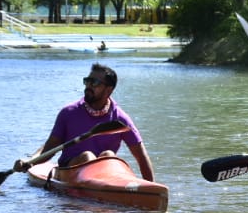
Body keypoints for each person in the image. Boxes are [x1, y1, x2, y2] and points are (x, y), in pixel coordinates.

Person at [14, 62, 155, 180]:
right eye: (87, 81)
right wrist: (30, 161)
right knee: (87, 156)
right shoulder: (68, 113)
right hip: (69, 171)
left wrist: (152, 190)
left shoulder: (120, 119)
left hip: (104, 175)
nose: (88, 86)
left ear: (108, 90)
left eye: (94, 82)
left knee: (109, 155)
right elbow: (49, 148)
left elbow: (141, 156)